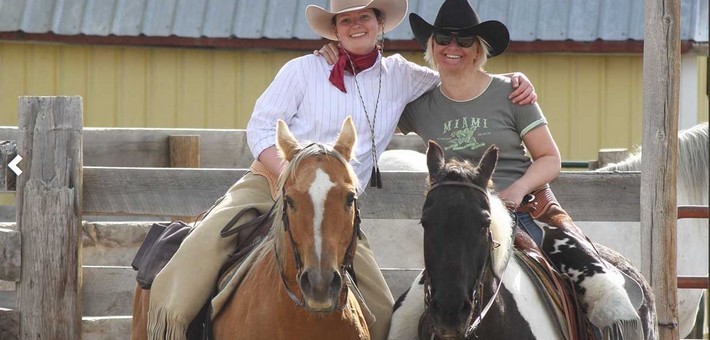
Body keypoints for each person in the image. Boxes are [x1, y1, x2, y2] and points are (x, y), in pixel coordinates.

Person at [143, 1, 537, 339]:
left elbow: (458, 75)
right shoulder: (301, 70)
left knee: (385, 316)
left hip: (339, 206)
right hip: (272, 184)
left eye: (364, 17)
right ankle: (168, 326)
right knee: (192, 264)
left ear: (380, 24)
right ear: (334, 30)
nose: (356, 25)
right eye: (345, 20)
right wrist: (289, 175)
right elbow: (261, 127)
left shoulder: (401, 76)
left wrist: (511, 83)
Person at [396, 0, 643, 338]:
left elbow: (549, 158)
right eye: (443, 39)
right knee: (402, 321)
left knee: (606, 294)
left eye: (464, 41)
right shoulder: (418, 105)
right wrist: (332, 55)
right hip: (462, 223)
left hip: (529, 209)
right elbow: (367, 100)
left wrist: (517, 190)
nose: (452, 48)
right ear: (432, 45)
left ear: (478, 49)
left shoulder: (510, 92)